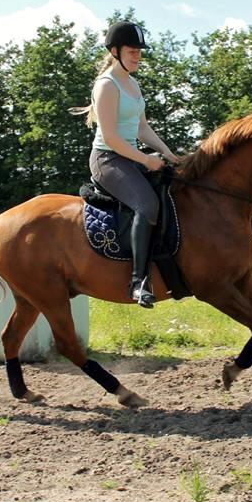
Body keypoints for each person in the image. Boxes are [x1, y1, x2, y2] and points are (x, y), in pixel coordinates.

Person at [72, 21, 180, 308]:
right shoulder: (107, 85)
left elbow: (142, 129)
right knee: (146, 205)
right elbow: (110, 136)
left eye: (139, 52)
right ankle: (138, 282)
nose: (137, 57)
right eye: (132, 52)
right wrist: (146, 159)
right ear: (115, 51)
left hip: (129, 157)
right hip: (108, 159)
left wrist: (169, 155)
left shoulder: (133, 84)